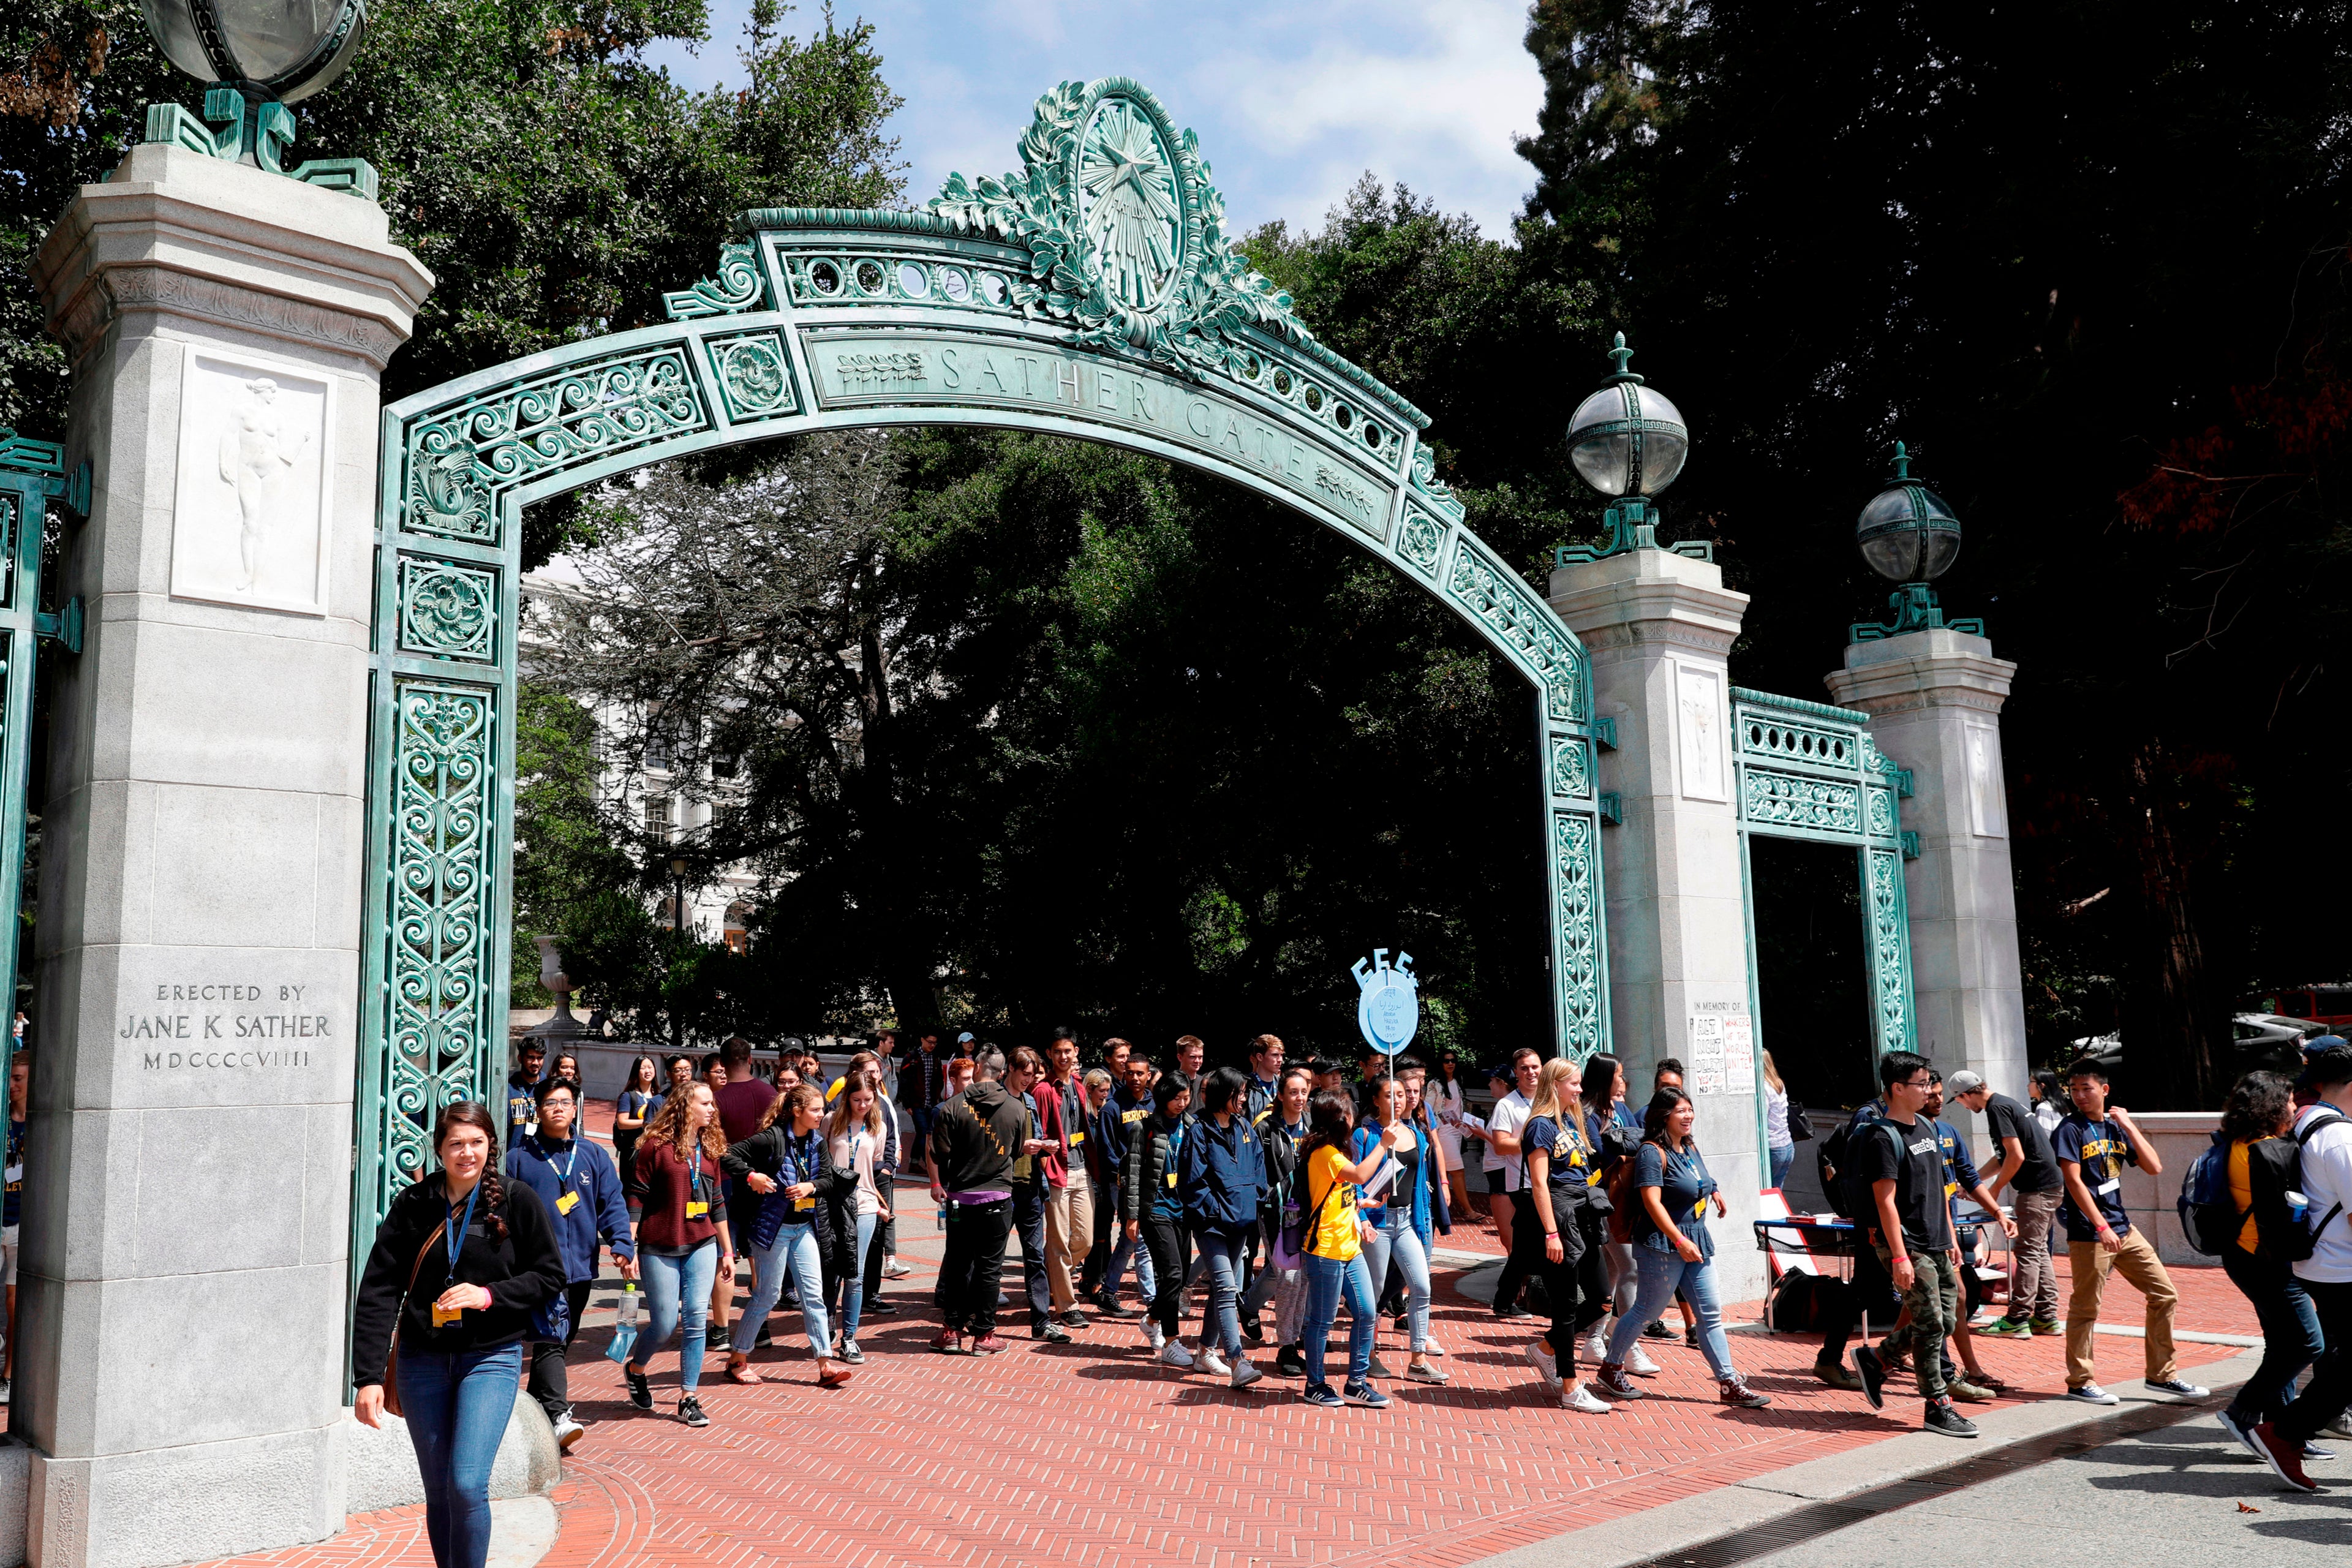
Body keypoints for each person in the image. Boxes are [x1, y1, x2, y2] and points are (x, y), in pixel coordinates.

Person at [352, 1102, 564, 1568]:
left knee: (467, 1483)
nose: (467, 1153)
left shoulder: (516, 1199)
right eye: (456, 1144)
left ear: (490, 1145)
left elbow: (550, 1276)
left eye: (476, 1142)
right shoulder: (415, 1204)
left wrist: (489, 1296)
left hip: (490, 1357)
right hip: (422, 1360)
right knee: (441, 1490)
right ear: (440, 1150)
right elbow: (379, 1290)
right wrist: (367, 1377)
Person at [1596, 1088, 1771, 1410]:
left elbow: (1700, 1177)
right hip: (1662, 1243)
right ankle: (1611, 1366)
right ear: (1664, 1116)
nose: (1689, 1115)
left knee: (1710, 1313)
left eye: (1690, 1109)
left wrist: (1714, 1190)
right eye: (1681, 1111)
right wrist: (1679, 1239)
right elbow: (1651, 1201)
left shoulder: (1688, 1146)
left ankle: (1729, 1382)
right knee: (1647, 1311)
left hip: (1696, 1239)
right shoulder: (1652, 1152)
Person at [2051, 1058, 2206, 1406]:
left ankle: (2162, 1375)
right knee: (2086, 1308)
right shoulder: (2069, 1129)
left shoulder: (2115, 1128)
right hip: (2091, 1231)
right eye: (2073, 1090)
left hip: (2123, 1227)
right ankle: (2080, 1382)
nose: (2079, 1096)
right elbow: (2074, 1182)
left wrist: (2130, 1125)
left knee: (2165, 1294)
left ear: (2104, 1090)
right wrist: (2100, 1226)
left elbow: (2154, 1167)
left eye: (2086, 1089)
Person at [1843, 1050, 1978, 1436]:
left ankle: (1878, 1360)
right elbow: (1885, 1200)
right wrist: (1900, 1256)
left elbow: (1939, 1188)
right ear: (1898, 1088)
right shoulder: (1882, 1137)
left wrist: (1950, 1237)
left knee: (1947, 1319)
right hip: (1908, 1245)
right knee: (1931, 1323)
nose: (1929, 1090)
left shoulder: (1928, 1127)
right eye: (1921, 1084)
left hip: (1937, 1240)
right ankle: (1937, 1405)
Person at [2203, 1071, 2328, 1464]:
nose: (2294, 1106)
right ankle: (2242, 1411)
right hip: (2266, 1262)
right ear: (2273, 1105)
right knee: (2309, 1342)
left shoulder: (2236, 1141)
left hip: (2246, 1256)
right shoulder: (2266, 1150)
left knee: (2282, 1344)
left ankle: (2279, 1431)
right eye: (2290, 1100)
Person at [505, 1078, 635, 1449]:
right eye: (550, 1103)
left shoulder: (593, 1155)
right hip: (541, 1268)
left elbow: (611, 1202)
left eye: (565, 1102)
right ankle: (558, 1415)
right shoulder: (519, 1160)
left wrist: (622, 1243)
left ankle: (533, 1410)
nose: (558, 1108)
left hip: (581, 1265)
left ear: (575, 1108)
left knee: (561, 1338)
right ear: (538, 1110)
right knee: (550, 1335)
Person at [2247, 1047, 2352, 1490]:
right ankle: (2284, 1432)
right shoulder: (2342, 1138)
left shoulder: (2307, 1119)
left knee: (2341, 1361)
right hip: (2341, 1266)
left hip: (2317, 1261)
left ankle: (2285, 1432)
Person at [718, 1084, 853, 1387]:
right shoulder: (772, 1138)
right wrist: (752, 1176)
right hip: (772, 1228)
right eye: (816, 1110)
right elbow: (728, 1155)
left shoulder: (817, 1142)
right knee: (767, 1295)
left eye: (822, 1109)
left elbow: (829, 1179)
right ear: (797, 1111)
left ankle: (825, 1363)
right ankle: (737, 1359)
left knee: (813, 1295)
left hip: (804, 1226)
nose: (822, 1114)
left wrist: (811, 1187)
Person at [625, 1081, 735, 1425]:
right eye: (705, 1103)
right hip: (659, 1244)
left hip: (702, 1242)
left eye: (712, 1104)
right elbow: (636, 1197)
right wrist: (628, 1246)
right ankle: (636, 1368)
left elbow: (716, 1203)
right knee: (663, 1323)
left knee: (694, 1321)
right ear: (685, 1106)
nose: (712, 1109)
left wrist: (728, 1250)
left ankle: (688, 1396)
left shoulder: (710, 1147)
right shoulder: (655, 1147)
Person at [1519, 1058, 1613, 1413]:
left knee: (1603, 1299)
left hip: (1585, 1215)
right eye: (1573, 1083)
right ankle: (1571, 1387)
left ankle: (1545, 1349)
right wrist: (1551, 1233)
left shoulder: (1576, 1121)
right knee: (1566, 1305)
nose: (1579, 1089)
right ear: (1555, 1084)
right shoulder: (1539, 1127)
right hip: (1560, 1217)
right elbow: (1540, 1183)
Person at [1296, 1088, 1397, 1410]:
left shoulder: (1337, 1150)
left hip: (1349, 1248)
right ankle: (1315, 1384)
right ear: (1341, 1120)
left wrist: (1359, 1206)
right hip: (1324, 1250)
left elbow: (1341, 1192)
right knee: (1322, 1322)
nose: (1354, 1119)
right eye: (1350, 1114)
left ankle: (1357, 1382)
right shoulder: (1323, 1152)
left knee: (1367, 1312)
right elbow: (1359, 1174)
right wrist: (1384, 1144)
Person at [1916, 1072, 2015, 1401]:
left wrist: (1998, 1213)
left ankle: (1882, 1359)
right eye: (1931, 1094)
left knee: (1925, 1306)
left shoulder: (1949, 1133)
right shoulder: (1905, 1135)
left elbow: (1969, 1178)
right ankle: (1962, 1372)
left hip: (1945, 1233)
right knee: (1953, 1298)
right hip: (1920, 1237)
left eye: (1941, 1094)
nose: (1937, 1101)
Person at [1953, 1068, 2066, 1338]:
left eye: (1960, 1101)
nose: (1964, 1106)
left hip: (2036, 1189)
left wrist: (1993, 1190)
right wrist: (1973, 1183)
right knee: (2037, 1252)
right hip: (2050, 1186)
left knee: (2027, 1253)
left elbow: (2016, 1156)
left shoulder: (1997, 1109)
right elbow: (2003, 1157)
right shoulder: (2006, 1103)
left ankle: (2017, 1319)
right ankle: (2046, 1317)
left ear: (1968, 1094)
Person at [930, 1046, 1026, 1354]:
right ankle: (984, 1336)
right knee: (989, 1267)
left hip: (960, 1197)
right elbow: (1018, 1148)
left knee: (958, 1264)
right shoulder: (1016, 1107)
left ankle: (951, 1331)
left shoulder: (952, 1106)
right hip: (997, 1197)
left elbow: (940, 1152)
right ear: (1001, 1073)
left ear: (978, 1068)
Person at [1180, 1066, 1271, 1387]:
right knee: (1226, 1287)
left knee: (1225, 1290)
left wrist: (1254, 1202)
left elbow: (1259, 1172)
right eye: (1240, 1093)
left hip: (1242, 1222)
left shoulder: (1245, 1127)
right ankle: (1237, 1360)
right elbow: (1193, 1183)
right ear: (1224, 1095)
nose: (1245, 1099)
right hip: (1212, 1225)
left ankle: (1205, 1350)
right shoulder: (1199, 1131)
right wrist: (1217, 1211)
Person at [1352, 1074, 1446, 1384]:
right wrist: (1363, 1220)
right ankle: (1367, 1354)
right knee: (1374, 1293)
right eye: (1390, 1095)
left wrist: (1423, 1223)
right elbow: (1353, 1182)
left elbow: (1420, 1185)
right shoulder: (1365, 1135)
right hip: (1376, 1224)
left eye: (1402, 1094)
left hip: (1406, 1221)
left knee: (1421, 1287)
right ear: (1377, 1101)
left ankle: (1418, 1359)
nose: (1399, 1100)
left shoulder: (1416, 1134)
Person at [1576, 1055, 1655, 1371]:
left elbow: (1642, 1144)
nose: (1624, 1081)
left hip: (1626, 1201)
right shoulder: (1587, 1115)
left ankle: (1594, 1340)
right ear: (1605, 1078)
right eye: (1619, 1075)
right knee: (1630, 1267)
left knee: (1610, 1271)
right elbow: (1597, 1156)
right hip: (1603, 1202)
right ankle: (1628, 1346)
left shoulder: (1621, 1110)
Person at [1249, 1065, 1316, 1377]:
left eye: (1304, 1091)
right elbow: (1256, 1171)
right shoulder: (1265, 1129)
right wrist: (1267, 1197)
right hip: (1277, 1215)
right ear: (1280, 1094)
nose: (1300, 1097)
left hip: (1308, 1215)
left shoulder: (1312, 1127)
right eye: (1293, 1092)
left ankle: (1295, 1335)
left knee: (1303, 1280)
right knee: (1288, 1279)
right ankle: (1286, 1347)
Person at [1125, 1076, 1198, 1364]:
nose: (1182, 1104)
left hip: (1183, 1210)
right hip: (1155, 1209)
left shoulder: (1191, 1126)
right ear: (1164, 1096)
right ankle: (1171, 1342)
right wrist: (1132, 1216)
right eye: (1177, 1098)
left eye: (1186, 1098)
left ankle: (1153, 1318)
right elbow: (1132, 1174)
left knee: (1178, 1279)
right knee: (1172, 1274)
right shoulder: (1143, 1128)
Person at [1001, 1048, 1069, 1343]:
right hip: (1002, 1188)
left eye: (1032, 1075)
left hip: (1029, 1187)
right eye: (1025, 1074)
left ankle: (1041, 1321)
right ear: (1011, 1070)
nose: (1029, 1080)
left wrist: (1044, 1146)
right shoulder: (997, 1102)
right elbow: (992, 1146)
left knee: (1035, 1257)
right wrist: (1021, 1148)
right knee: (990, 1259)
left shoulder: (1029, 1102)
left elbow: (1035, 1137)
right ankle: (979, 1319)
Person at [823, 1077, 892, 1362]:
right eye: (857, 1100)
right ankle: (826, 1330)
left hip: (863, 1204)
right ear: (846, 1098)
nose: (863, 1105)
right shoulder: (830, 1122)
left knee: (855, 1274)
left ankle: (849, 1338)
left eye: (868, 1100)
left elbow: (869, 1169)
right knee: (831, 1272)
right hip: (831, 1203)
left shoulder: (879, 1127)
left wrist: (878, 1202)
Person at [1087, 1054, 1159, 1314]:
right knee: (1140, 1238)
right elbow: (1107, 1153)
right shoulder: (1112, 1109)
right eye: (1130, 1073)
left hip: (1152, 1183)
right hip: (1124, 1183)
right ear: (1124, 1074)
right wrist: (1126, 1178)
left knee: (1129, 1241)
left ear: (1148, 1075)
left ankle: (1107, 1292)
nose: (1135, 1078)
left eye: (1140, 1073)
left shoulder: (1155, 1103)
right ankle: (1153, 1303)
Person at [1041, 1030, 1093, 1330]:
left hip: (1081, 1168)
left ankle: (1054, 1278)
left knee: (1084, 1240)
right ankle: (1067, 1305)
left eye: (1068, 1051)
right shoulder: (1045, 1089)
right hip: (1057, 1172)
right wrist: (1047, 1169)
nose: (1064, 1056)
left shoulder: (1078, 1086)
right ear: (1050, 1053)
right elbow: (1041, 1131)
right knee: (1059, 1241)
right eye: (1058, 1051)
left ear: (1076, 1052)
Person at [1483, 1049, 1542, 1312]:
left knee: (1528, 1248)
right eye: (1525, 1068)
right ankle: (1506, 1300)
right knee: (1524, 1248)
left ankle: (1507, 1300)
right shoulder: (1507, 1105)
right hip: (1523, 1185)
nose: (1531, 1073)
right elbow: (1500, 1145)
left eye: (1535, 1067)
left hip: (1552, 1183)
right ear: (1516, 1073)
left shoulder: (1550, 1100)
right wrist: (1533, 1143)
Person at [2, 1053, 24, 1404]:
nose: (12, 1084)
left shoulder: (42, 1122)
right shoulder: (4, 1119)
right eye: (11, 1077)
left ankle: (7, 1375)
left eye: (19, 1078)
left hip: (23, 1222)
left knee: (12, 1302)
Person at [614, 1055, 663, 1207]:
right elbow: (622, 1123)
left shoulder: (659, 1096)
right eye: (643, 1068)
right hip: (633, 1151)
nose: (647, 1071)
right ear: (636, 1071)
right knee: (632, 1191)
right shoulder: (628, 1096)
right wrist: (648, 1123)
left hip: (655, 1149)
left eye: (650, 1067)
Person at [1430, 1051, 1472, 1218]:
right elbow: (1429, 1108)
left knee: (1445, 1171)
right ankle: (1468, 1210)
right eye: (1446, 1061)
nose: (1450, 1064)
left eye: (1453, 1061)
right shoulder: (1435, 1084)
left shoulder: (1458, 1081)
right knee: (1458, 1171)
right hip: (1443, 1131)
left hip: (1457, 1130)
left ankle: (1441, 1209)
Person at [1762, 1050, 1795, 1191]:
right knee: (1776, 1191)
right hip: (1786, 1144)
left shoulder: (1763, 1087)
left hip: (1773, 1146)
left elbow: (1763, 1116)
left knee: (1768, 1192)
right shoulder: (1778, 1083)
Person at [505, 1043, 545, 1145]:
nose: (536, 1063)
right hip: (513, 1154)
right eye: (531, 1058)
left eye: (540, 1058)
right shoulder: (508, 1089)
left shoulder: (548, 1089)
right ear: (520, 1058)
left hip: (542, 1156)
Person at [1245, 1035, 1286, 1120]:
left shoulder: (1284, 1084)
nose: (1280, 1060)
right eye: (1275, 1055)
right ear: (1260, 1057)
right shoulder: (1246, 1086)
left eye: (1281, 1055)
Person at [1167, 1035, 1208, 1115]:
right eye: (1192, 1057)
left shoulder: (1205, 1083)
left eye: (1200, 1057)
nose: (1197, 1061)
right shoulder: (1170, 1083)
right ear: (1180, 1057)